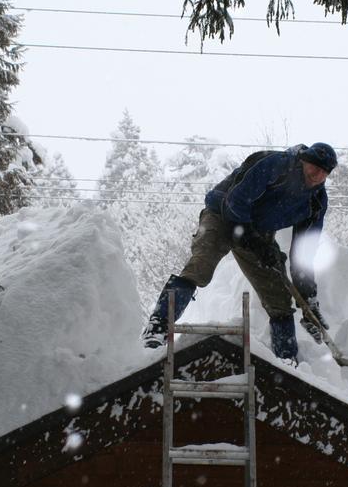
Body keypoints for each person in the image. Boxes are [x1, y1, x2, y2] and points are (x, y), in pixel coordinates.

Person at [142, 142, 337, 360]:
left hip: (258, 231)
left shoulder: (316, 202)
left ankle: (287, 359)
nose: (317, 174)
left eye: (323, 172)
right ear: (303, 161)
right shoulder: (276, 165)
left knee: (279, 297)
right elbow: (236, 200)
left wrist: (308, 300)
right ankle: (157, 328)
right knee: (200, 267)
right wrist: (250, 238)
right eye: (313, 167)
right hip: (222, 215)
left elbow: (304, 253)